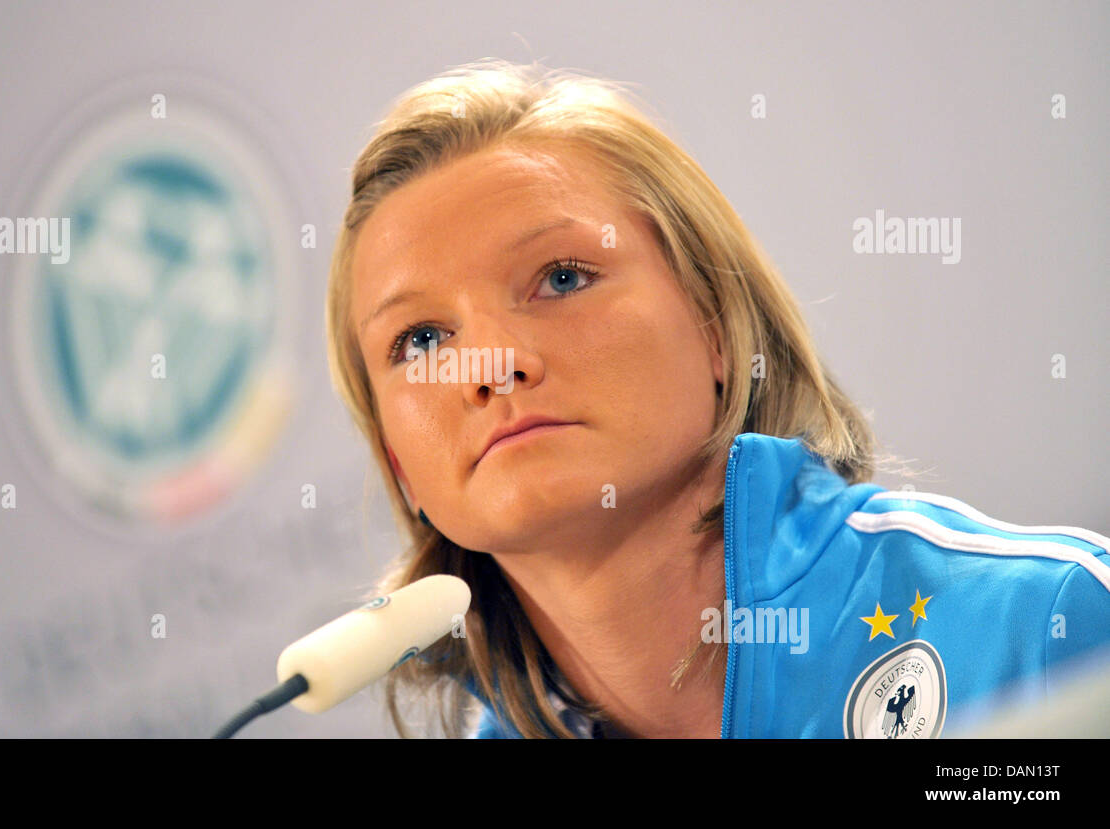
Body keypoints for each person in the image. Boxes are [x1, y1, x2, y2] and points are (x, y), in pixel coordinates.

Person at [322, 59, 1110, 738]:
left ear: (716, 330)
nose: (492, 365)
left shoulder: (1048, 626)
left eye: (562, 277)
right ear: (400, 466)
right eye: (420, 340)